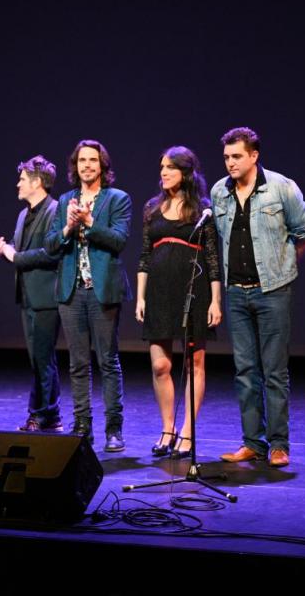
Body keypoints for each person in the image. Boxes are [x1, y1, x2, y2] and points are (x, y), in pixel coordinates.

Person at [212, 127, 305, 468]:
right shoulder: (219, 193)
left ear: (254, 155)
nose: (231, 163)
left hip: (272, 292)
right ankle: (251, 443)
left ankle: (278, 445)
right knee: (245, 370)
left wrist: (282, 268)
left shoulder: (280, 188)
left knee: (274, 370)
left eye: (237, 156)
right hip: (236, 294)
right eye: (227, 156)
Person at [46, 140, 132, 452]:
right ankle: (82, 424)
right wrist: (69, 226)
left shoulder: (117, 199)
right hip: (71, 289)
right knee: (78, 363)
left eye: (93, 160)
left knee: (107, 360)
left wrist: (90, 222)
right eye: (82, 161)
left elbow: (119, 240)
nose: (87, 166)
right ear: (75, 166)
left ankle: (114, 429)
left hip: (102, 290)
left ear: (103, 166)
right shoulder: (66, 199)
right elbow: (52, 245)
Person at [135, 147, 222, 457]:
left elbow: (212, 258)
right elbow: (145, 255)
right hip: (158, 291)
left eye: (170, 167)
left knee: (193, 362)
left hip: (193, 290)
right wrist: (141, 296)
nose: (163, 172)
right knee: (160, 365)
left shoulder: (202, 209)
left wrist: (215, 300)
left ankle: (187, 432)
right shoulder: (152, 208)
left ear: (186, 172)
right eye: (162, 167)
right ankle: (167, 429)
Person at [0, 155, 62, 432]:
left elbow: (50, 253)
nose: (17, 184)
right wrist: (4, 247)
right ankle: (48, 413)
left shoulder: (55, 211)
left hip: (46, 295)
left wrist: (13, 254)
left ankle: (42, 414)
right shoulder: (24, 214)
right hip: (28, 295)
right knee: (38, 358)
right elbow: (21, 251)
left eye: (22, 179)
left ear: (36, 182)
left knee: (43, 358)